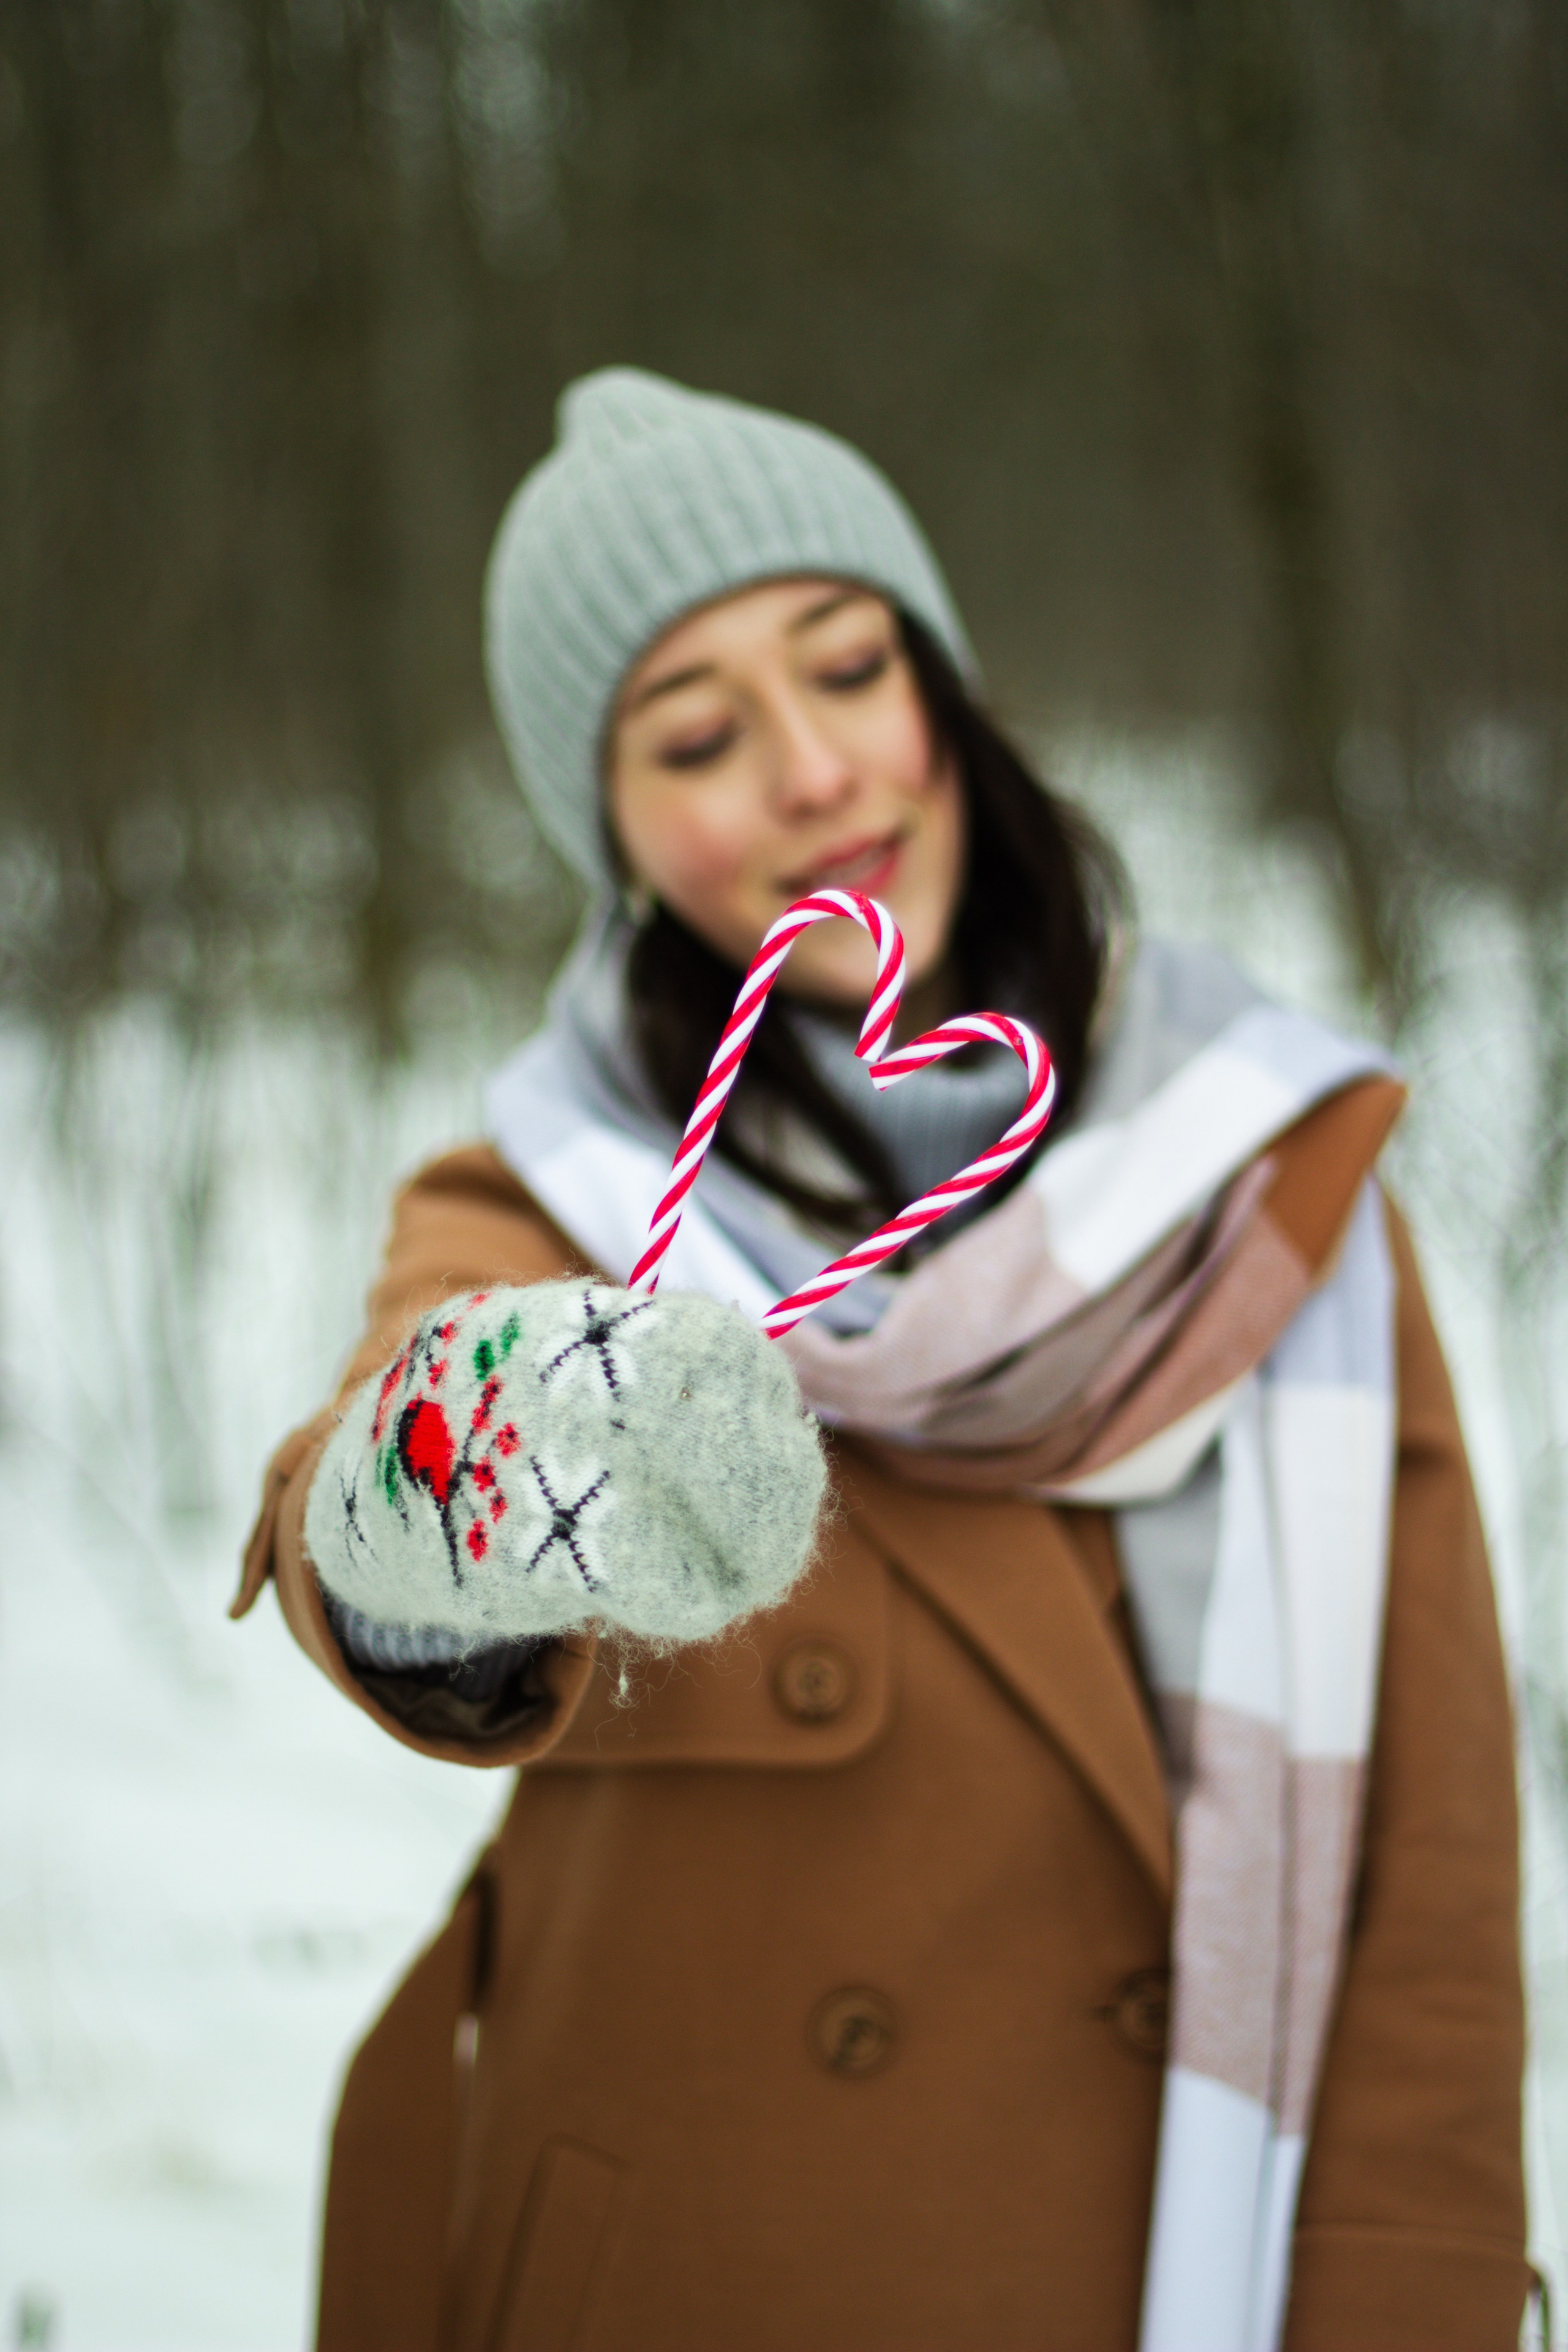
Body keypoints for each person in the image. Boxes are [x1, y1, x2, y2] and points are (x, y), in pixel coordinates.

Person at [235, 369, 1528, 2352]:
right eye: (695, 733)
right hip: (687, 2270)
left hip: (1179, 2264)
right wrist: (474, 1460)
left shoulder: (1274, 1181)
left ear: (942, 686)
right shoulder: (561, 1201)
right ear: (616, 828)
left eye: (849, 667)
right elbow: (389, 1483)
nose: (817, 772)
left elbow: (1428, 1884)